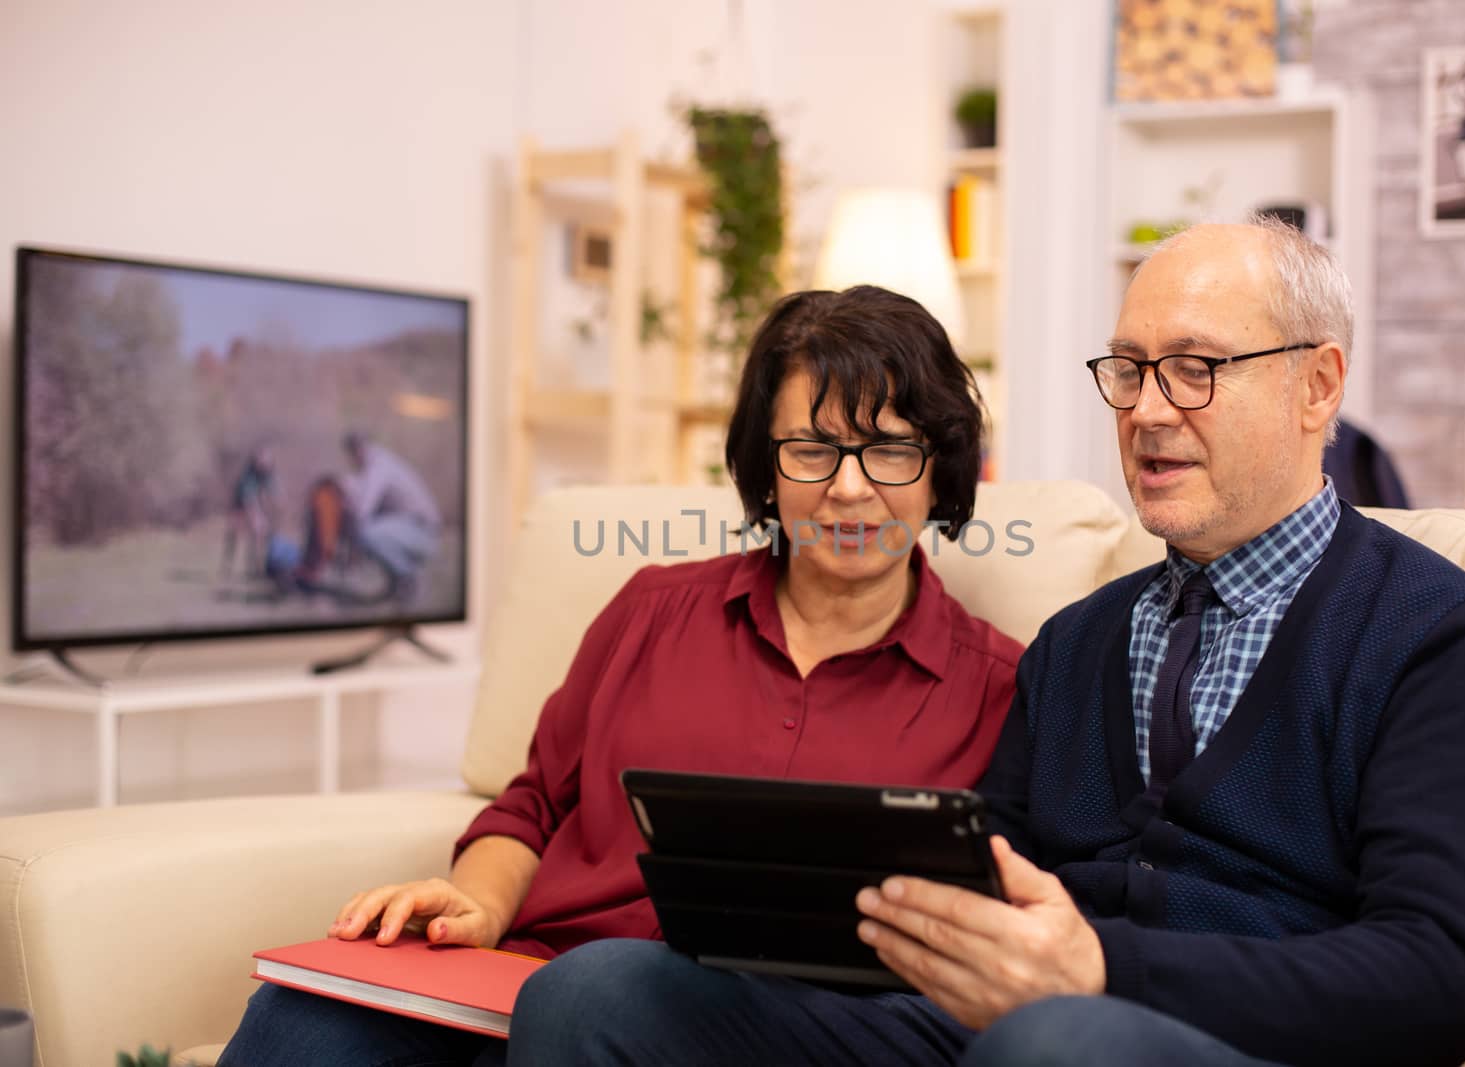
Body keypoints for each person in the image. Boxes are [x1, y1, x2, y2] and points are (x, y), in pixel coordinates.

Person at [514, 219, 1465, 1067]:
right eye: (1129, 370)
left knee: (1054, 1041)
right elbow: (989, 871)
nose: (1145, 410)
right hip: (990, 1024)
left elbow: (1443, 971)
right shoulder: (1076, 640)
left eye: (1191, 370)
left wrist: (1096, 970)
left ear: (1316, 384)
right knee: (598, 992)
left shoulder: (1441, 636)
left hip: (1230, 1039)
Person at [215, 284, 1024, 1067]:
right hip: (521, 988)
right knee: (305, 1009)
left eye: (887, 449)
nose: (849, 488)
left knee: (593, 992)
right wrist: (481, 903)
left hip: (747, 1029)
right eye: (812, 450)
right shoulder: (652, 611)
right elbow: (531, 803)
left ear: (939, 465)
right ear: (766, 469)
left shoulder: (998, 689)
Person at [339, 432, 442, 601]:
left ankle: (409, 578)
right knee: (372, 531)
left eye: (352, 452)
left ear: (357, 449)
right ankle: (396, 585)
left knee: (367, 534)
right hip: (410, 529)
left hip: (422, 532)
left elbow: (363, 510)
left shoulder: (378, 466)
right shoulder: (377, 463)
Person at [220, 443, 280, 577]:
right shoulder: (248, 475)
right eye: (262, 459)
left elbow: (275, 493)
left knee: (258, 536)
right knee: (234, 536)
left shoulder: (268, 474)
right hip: (239, 506)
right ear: (256, 460)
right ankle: (227, 567)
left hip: (256, 505)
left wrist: (274, 511)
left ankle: (254, 568)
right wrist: (258, 517)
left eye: (268, 459)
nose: (265, 462)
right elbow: (249, 499)